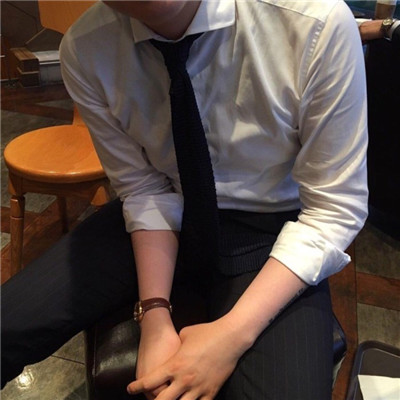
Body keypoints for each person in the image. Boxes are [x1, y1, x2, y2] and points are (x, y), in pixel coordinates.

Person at [1, 1, 368, 399]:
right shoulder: (87, 47)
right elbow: (142, 187)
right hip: (164, 211)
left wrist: (232, 334)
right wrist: (154, 315)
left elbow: (334, 208)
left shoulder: (315, 23)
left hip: (272, 228)